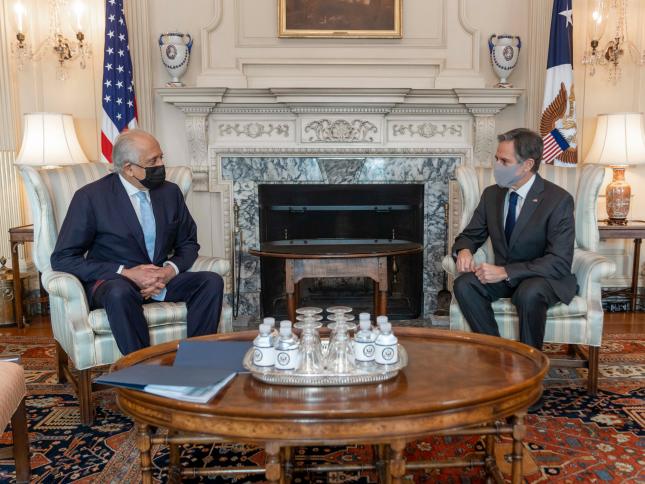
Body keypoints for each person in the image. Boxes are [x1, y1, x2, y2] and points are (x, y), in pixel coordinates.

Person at [51, 129, 223, 355]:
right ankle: (142, 367)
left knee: (211, 282)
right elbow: (63, 258)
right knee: (118, 292)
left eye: (161, 157)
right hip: (115, 282)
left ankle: (197, 361)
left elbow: (188, 244)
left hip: (159, 281)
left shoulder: (170, 193)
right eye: (153, 161)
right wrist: (126, 273)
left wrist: (168, 272)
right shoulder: (91, 197)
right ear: (128, 168)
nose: (161, 165)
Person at [452, 128, 576, 352]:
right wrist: (464, 250)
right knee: (465, 284)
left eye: (505, 161)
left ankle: (530, 361)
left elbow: (559, 262)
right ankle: (496, 354)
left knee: (529, 292)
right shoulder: (492, 195)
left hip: (543, 278)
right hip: (504, 277)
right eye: (496, 159)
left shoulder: (558, 200)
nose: (497, 166)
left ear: (527, 165)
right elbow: (470, 235)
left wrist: (505, 272)